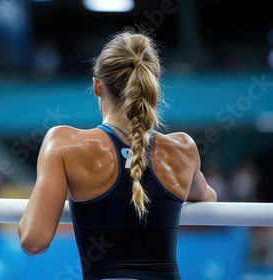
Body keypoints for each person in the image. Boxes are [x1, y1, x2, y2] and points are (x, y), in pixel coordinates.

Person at [18, 28, 217, 279]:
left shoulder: (64, 144)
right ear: (151, 87)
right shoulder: (182, 149)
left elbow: (33, 241)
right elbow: (208, 198)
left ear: (97, 86)